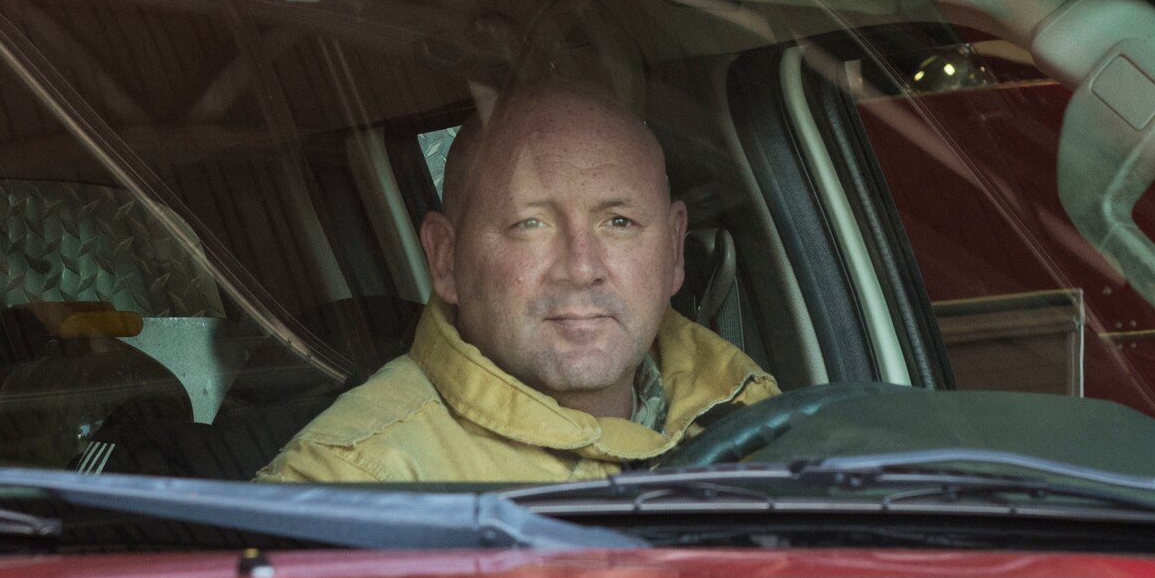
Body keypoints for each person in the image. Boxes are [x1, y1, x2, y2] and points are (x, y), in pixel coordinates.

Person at [256, 79, 778, 484]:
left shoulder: (755, 415)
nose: (580, 266)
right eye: (530, 224)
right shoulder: (352, 488)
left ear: (673, 249)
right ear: (446, 259)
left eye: (618, 222)